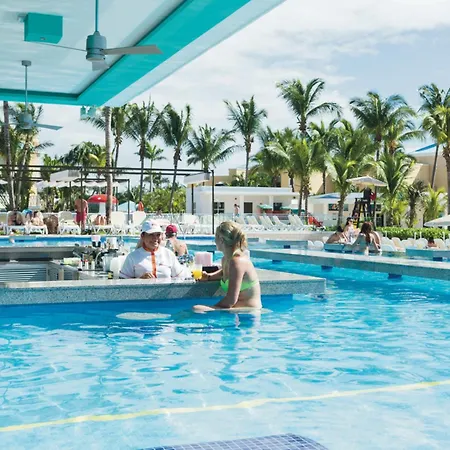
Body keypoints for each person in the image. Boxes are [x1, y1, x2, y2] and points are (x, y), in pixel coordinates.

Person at [193, 221, 261, 312]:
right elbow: (225, 273)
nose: (214, 241)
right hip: (237, 311)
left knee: (197, 309)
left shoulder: (237, 262)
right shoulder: (226, 259)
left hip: (249, 313)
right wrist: (209, 277)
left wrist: (211, 308)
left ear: (221, 240)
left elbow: (231, 300)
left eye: (215, 238)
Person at [120, 221, 187, 279]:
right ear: (143, 236)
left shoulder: (168, 254)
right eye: (151, 235)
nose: (155, 238)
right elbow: (122, 282)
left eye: (158, 235)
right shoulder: (132, 257)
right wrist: (139, 279)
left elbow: (180, 278)